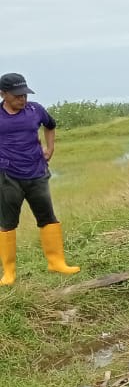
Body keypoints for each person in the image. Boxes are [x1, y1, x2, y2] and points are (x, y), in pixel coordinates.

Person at [0, 73, 79, 285]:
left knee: (48, 217)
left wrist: (50, 148)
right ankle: (9, 273)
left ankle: (56, 262)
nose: (22, 99)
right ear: (3, 94)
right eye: (17, 95)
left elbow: (50, 126)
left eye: (24, 94)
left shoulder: (36, 110)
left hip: (37, 173)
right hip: (8, 176)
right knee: (7, 223)